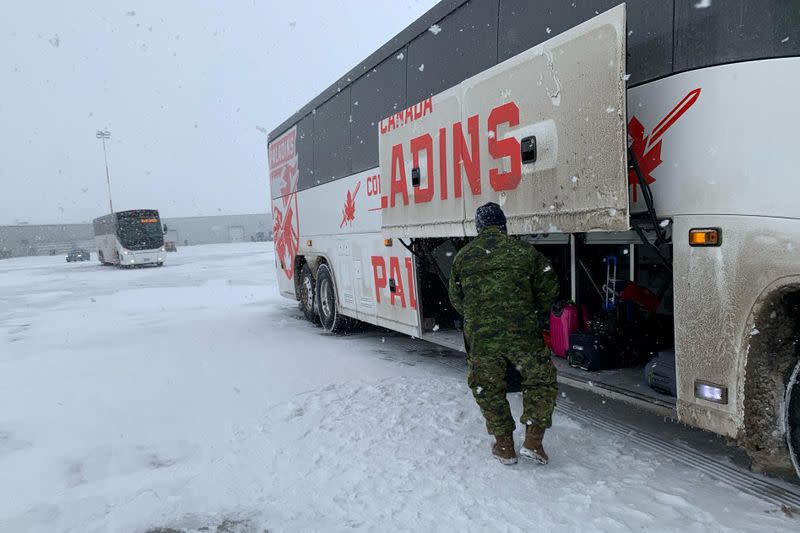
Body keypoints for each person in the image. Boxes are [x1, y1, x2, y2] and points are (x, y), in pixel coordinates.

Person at [448, 202, 559, 465]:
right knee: (540, 382)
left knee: (488, 387)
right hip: (523, 334)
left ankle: (504, 445)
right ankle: (533, 442)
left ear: (479, 227)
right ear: (503, 224)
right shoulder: (524, 252)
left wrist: (479, 316)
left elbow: (455, 297)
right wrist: (528, 311)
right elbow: (549, 288)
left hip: (482, 339)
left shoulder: (464, 256)